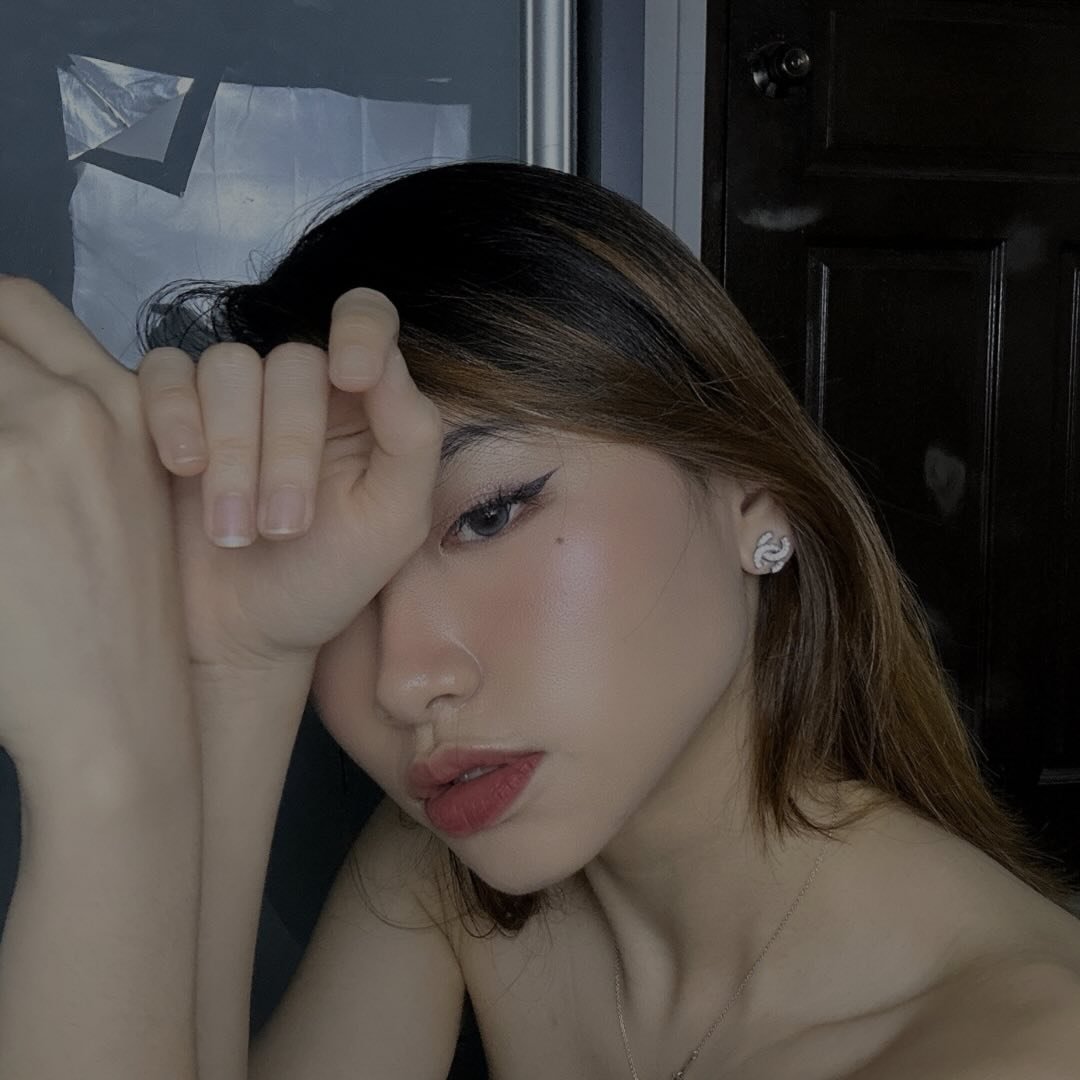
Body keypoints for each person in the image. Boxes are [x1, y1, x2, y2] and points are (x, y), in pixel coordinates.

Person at [1, 160, 1077, 1080]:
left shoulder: (1019, 1049)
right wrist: (238, 660)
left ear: (754, 492)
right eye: (342, 590)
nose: (403, 680)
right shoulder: (446, 879)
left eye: (488, 514)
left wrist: (107, 768)